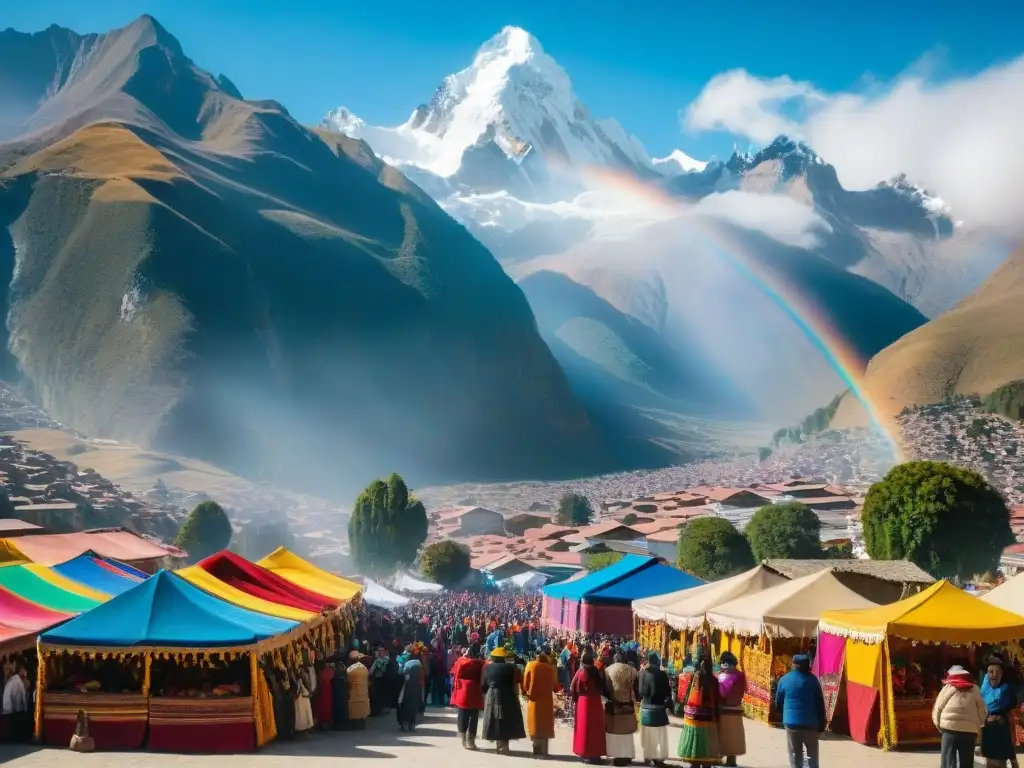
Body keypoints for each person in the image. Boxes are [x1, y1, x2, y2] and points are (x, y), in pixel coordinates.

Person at [933, 664, 988, 768]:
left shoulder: (947, 688)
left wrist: (939, 726)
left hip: (949, 729)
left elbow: (937, 709)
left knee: (948, 762)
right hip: (969, 731)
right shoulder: (975, 689)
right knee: (966, 762)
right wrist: (979, 725)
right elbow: (982, 710)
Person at [776, 654, 825, 768]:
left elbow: (778, 701)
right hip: (811, 724)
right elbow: (820, 705)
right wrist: (822, 726)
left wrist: (784, 716)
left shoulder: (785, 679)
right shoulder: (813, 681)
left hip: (791, 723)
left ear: (793, 664)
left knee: (795, 754)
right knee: (812, 755)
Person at [678, 645, 720, 766]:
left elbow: (688, 695)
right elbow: (716, 699)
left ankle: (695, 762)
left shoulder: (695, 676)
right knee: (707, 746)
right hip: (708, 717)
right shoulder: (714, 680)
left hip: (693, 716)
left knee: (695, 743)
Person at [480, 646, 526, 754]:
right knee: (505, 720)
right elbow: (519, 680)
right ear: (504, 658)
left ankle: (497, 743)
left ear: (494, 658)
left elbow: (484, 685)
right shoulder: (511, 668)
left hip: (491, 695)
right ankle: (503, 746)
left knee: (493, 719)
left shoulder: (487, 668)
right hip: (507, 695)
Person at [982, 656, 1019, 768]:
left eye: (997, 672)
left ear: (1002, 674)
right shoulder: (985, 685)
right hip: (988, 727)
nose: (994, 675)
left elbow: (998, 705)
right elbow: (982, 701)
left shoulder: (1006, 687)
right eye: (991, 672)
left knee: (999, 759)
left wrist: (993, 714)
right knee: (990, 758)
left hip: (1002, 726)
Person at [571, 650, 607, 764]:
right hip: (595, 701)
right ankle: (596, 754)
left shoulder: (580, 672)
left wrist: (575, 698)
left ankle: (583, 752)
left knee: (584, 727)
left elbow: (572, 686)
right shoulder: (596, 672)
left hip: (583, 702)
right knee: (595, 728)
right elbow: (602, 686)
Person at [604, 652, 639, 766]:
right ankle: (628, 755)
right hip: (628, 706)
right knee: (627, 733)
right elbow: (636, 687)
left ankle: (617, 756)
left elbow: (606, 689)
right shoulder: (631, 670)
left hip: (615, 706)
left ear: (614, 660)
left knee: (616, 733)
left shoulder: (608, 670)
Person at [522, 649, 560, 756]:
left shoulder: (530, 666)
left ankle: (536, 749)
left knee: (535, 725)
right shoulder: (551, 669)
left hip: (533, 700)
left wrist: (526, 691)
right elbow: (555, 687)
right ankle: (545, 750)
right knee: (545, 726)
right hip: (547, 701)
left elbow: (525, 684)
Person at [639, 652, 673, 766]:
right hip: (659, 709)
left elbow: (641, 692)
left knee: (647, 735)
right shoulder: (662, 674)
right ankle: (657, 757)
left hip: (646, 708)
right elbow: (667, 691)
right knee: (658, 735)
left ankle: (648, 755)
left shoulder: (643, 673)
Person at [450, 644, 485, 748]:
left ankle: (463, 738)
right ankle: (471, 741)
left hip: (463, 691)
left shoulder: (461, 661)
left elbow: (453, 672)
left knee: (462, 716)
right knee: (474, 717)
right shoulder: (481, 663)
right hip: (475, 691)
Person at [717, 651, 747, 767]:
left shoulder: (726, 675)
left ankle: (719, 757)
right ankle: (731, 759)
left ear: (724, 663)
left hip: (725, 710)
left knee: (724, 735)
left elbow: (722, 693)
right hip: (737, 710)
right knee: (734, 736)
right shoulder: (741, 675)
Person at [397, 650, 425, 732]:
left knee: (405, 706)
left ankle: (405, 724)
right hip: (417, 688)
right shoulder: (419, 664)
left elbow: (402, 674)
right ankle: (412, 724)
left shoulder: (406, 664)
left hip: (407, 688)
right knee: (414, 706)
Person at [2, 664, 30, 743]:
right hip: (12, 709)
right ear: (20, 670)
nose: (25, 672)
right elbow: (15, 697)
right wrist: (18, 709)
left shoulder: (18, 680)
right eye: (24, 670)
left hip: (16, 709)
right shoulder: (15, 681)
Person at [347, 650, 371, 729]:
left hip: (354, 696)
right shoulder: (364, 668)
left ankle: (355, 725)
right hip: (364, 695)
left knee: (355, 711)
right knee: (362, 711)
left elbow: (348, 682)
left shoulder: (350, 669)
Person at [314, 660, 334, 729]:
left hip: (323, 695)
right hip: (330, 694)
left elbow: (320, 686)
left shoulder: (322, 674)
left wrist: (315, 694)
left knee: (321, 708)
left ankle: (321, 723)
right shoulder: (330, 671)